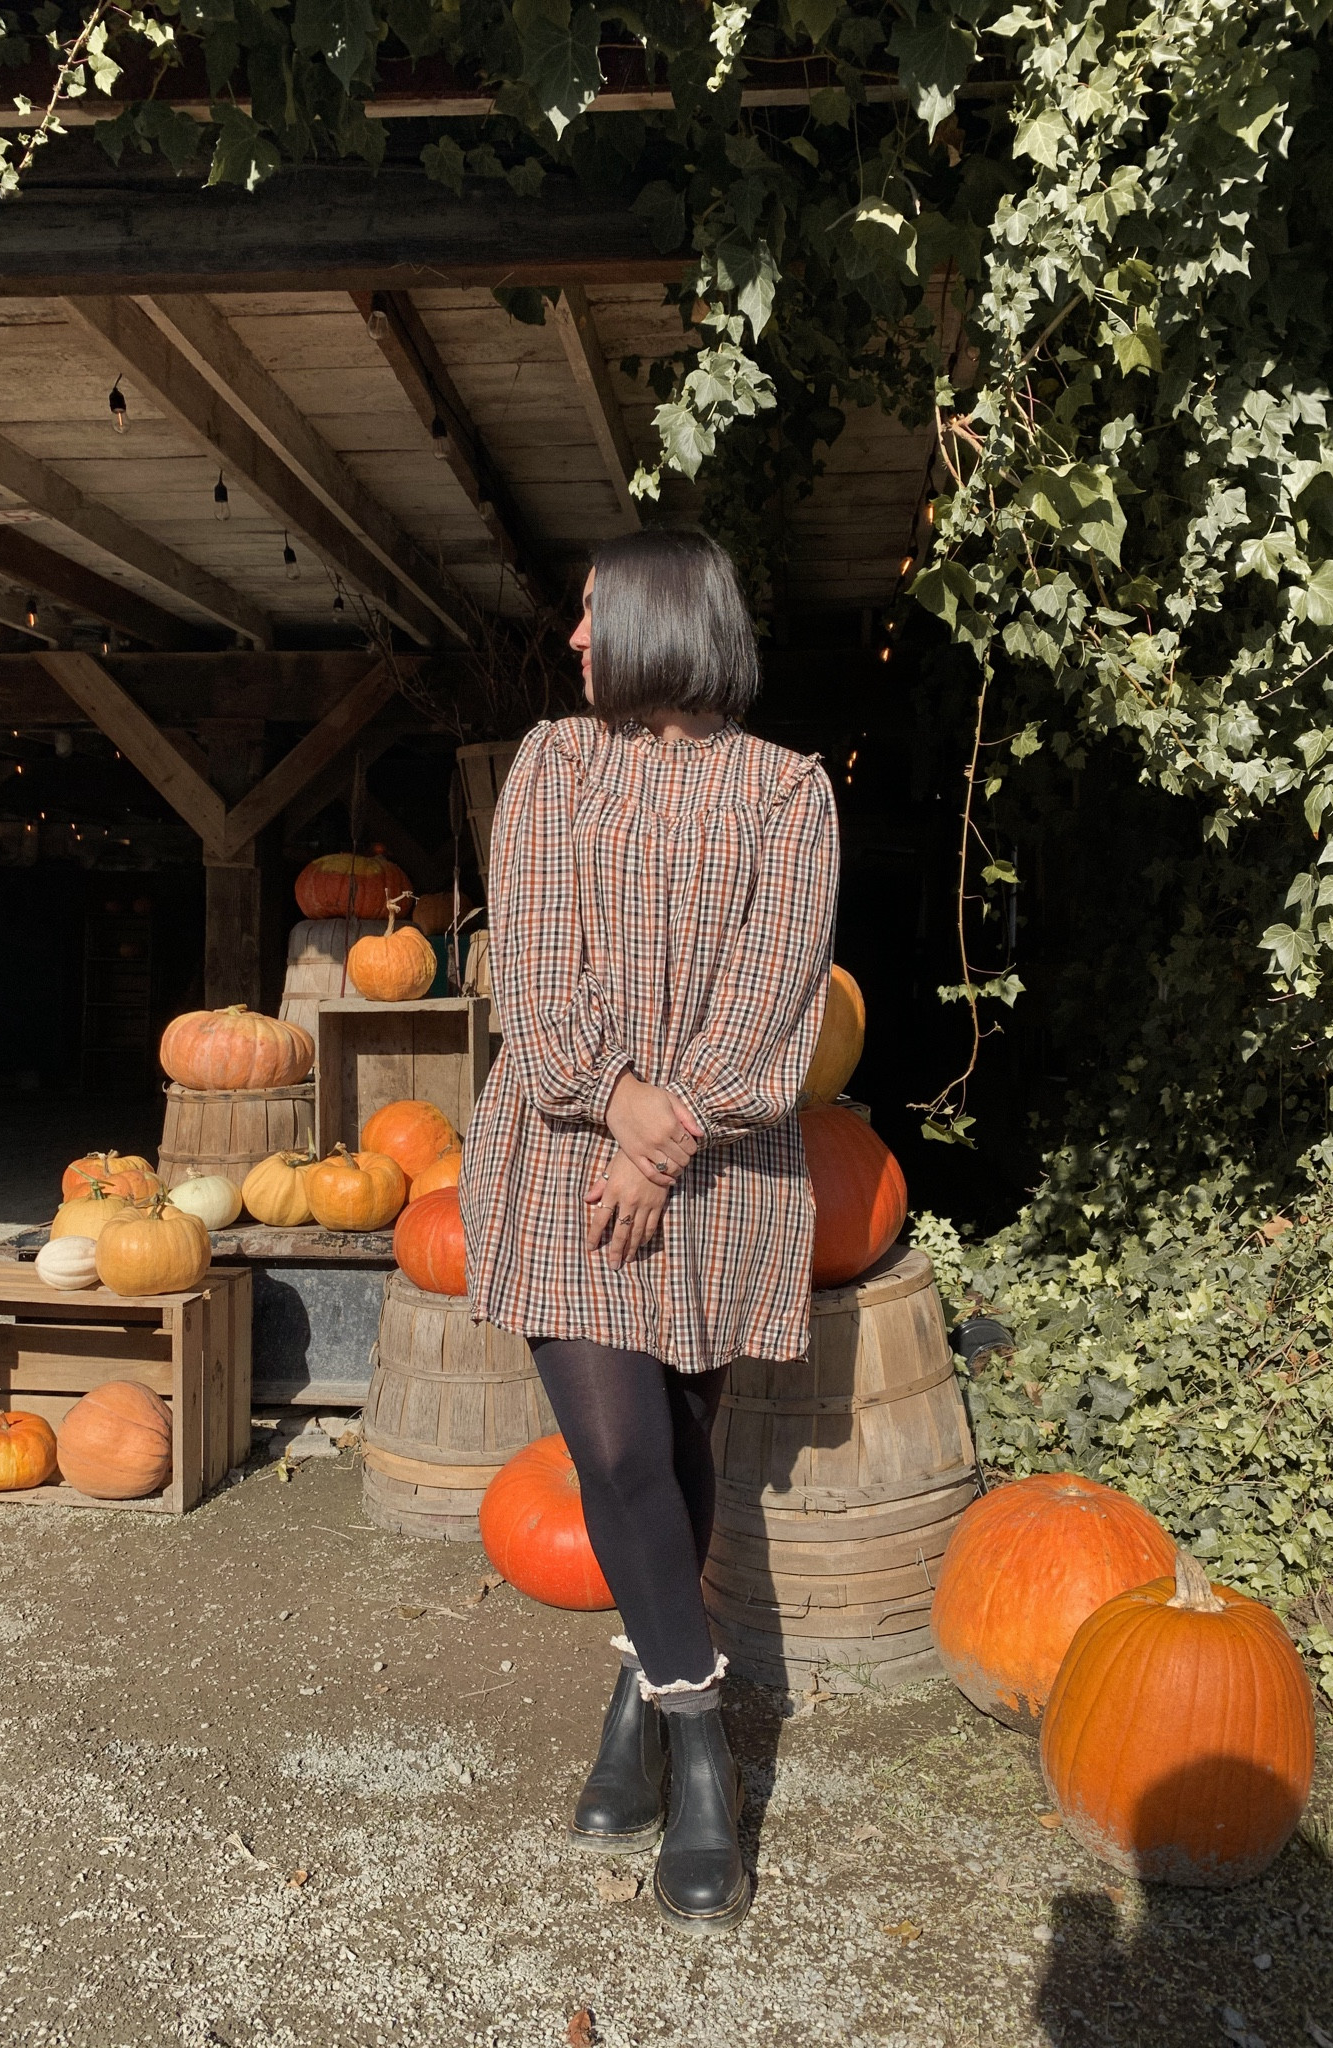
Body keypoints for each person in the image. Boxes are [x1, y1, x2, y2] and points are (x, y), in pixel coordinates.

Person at [459, 527, 839, 1934]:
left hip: (722, 1174)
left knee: (678, 1445)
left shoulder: (791, 794)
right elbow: (538, 969)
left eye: (591, 614)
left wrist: (670, 1141)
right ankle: (701, 1749)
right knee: (617, 1453)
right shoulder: (555, 764)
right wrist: (619, 1108)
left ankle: (636, 1690)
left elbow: (776, 997)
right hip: (562, 1157)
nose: (571, 641)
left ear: (667, 621)